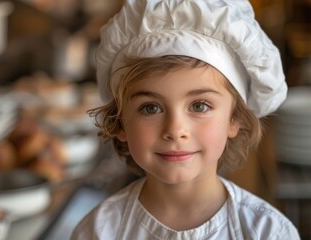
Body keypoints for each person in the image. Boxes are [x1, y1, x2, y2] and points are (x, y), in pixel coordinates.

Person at [71, 0, 301, 239]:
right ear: (120, 123)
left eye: (199, 106)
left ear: (234, 118)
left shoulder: (268, 232)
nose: (175, 130)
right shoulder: (98, 231)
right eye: (150, 108)